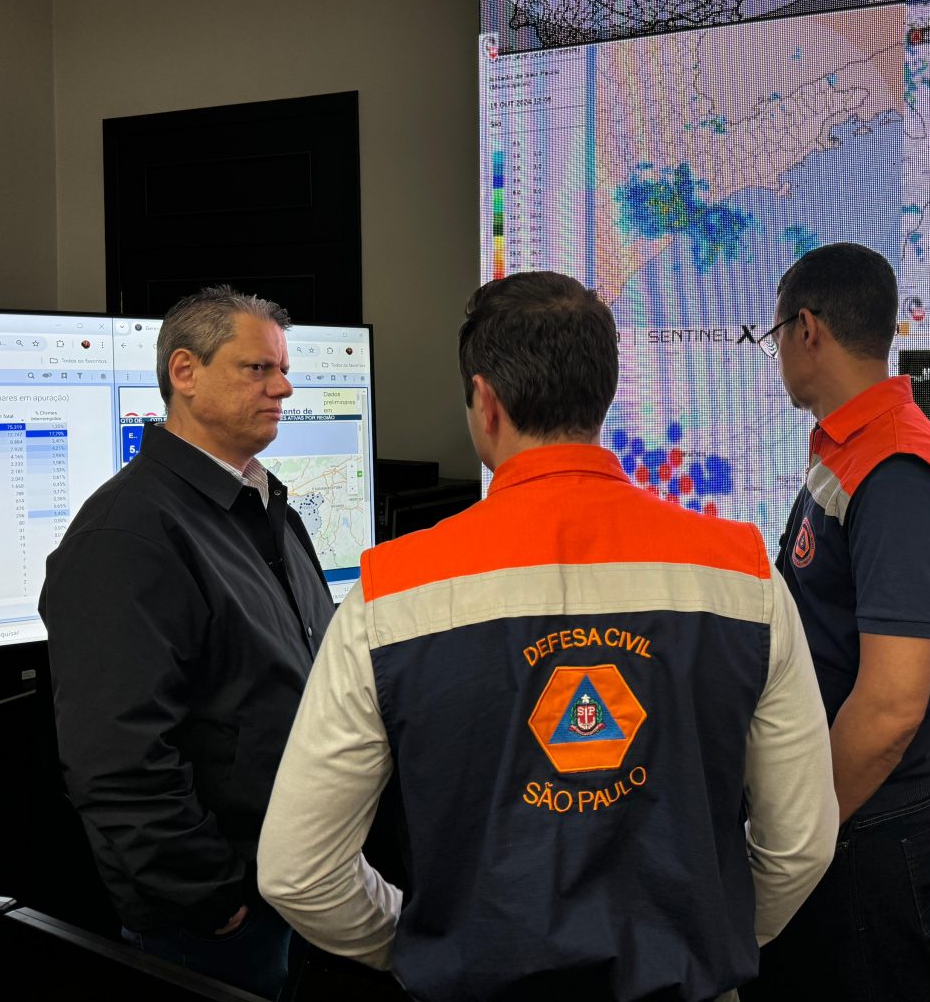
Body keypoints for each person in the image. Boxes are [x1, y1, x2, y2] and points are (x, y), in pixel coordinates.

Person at [256, 270, 838, 1002]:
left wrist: (422, 939)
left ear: (487, 404)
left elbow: (296, 870)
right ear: (603, 396)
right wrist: (703, 932)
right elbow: (801, 845)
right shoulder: (746, 576)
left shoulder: (389, 593)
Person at [40, 285, 332, 1000]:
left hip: (288, 882)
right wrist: (213, 899)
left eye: (282, 369)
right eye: (257, 369)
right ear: (184, 372)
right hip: (216, 917)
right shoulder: (128, 535)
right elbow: (119, 760)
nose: (284, 387)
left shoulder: (262, 505)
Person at [751, 243, 930, 1002]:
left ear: (807, 330)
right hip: (847, 816)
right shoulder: (851, 450)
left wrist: (801, 830)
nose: (778, 350)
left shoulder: (897, 472)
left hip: (870, 827)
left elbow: (889, 708)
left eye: (775, 333)